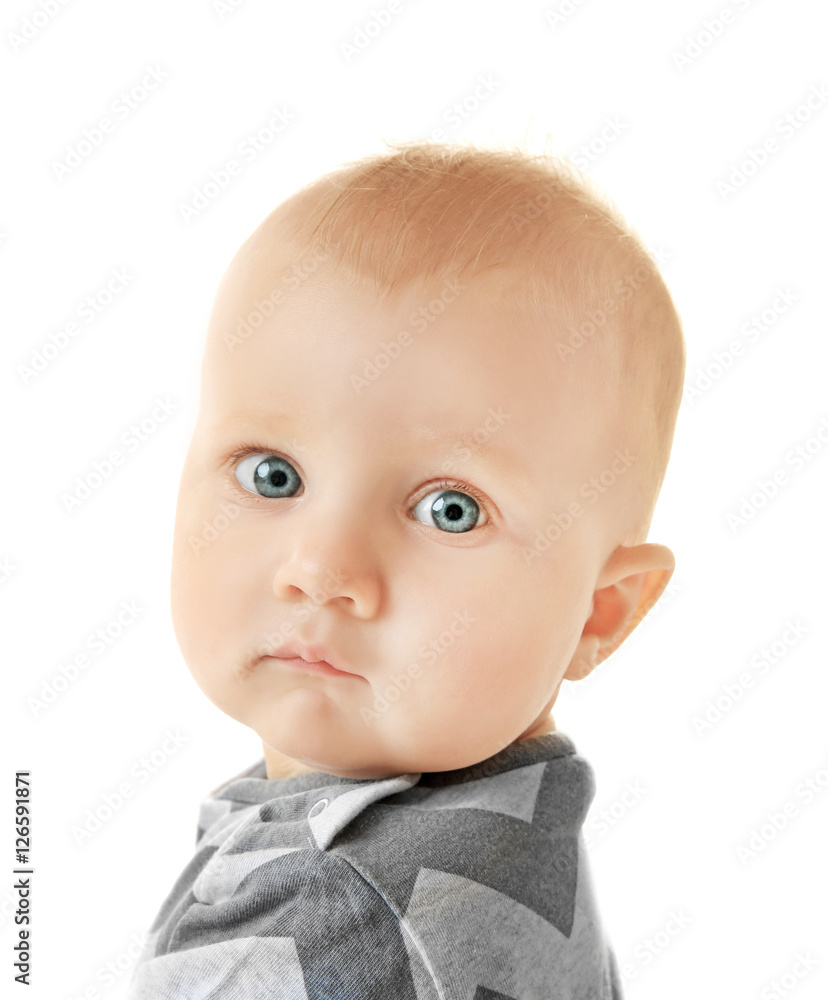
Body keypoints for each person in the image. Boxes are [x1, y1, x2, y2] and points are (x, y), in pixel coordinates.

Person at [127, 138, 685, 997]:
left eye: (449, 510)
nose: (322, 568)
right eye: (273, 475)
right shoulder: (512, 831)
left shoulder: (335, 918)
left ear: (599, 611)